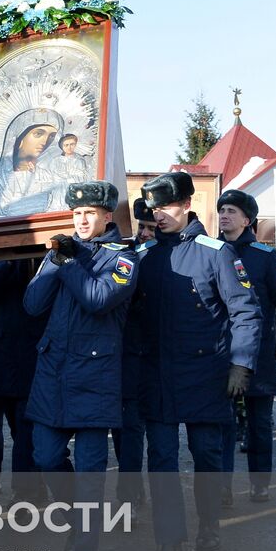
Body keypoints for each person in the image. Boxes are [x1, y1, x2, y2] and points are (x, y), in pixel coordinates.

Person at [135, 172, 261, 551]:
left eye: (167, 207)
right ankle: (169, 542)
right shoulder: (145, 256)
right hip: (157, 377)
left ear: (187, 204)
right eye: (155, 210)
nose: (160, 216)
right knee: (161, 460)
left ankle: (209, 523)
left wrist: (241, 364)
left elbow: (245, 311)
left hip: (206, 374)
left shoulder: (215, 252)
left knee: (207, 455)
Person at [22, 181, 137, 551]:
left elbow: (98, 299)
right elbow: (32, 305)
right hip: (53, 371)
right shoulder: (60, 253)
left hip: (96, 376)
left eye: (90, 213)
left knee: (90, 474)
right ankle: (76, 521)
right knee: (45, 455)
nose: (82, 220)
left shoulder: (123, 258)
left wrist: (69, 264)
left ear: (108, 216)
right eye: (76, 214)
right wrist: (54, 262)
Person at [215, 189, 276, 503]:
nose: (224, 215)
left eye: (232, 211)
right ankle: (222, 487)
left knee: (259, 423)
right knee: (221, 423)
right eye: (222, 210)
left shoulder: (265, 257)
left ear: (247, 219)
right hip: (220, 353)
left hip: (258, 352)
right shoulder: (210, 251)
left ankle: (259, 482)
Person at [0, 255, 46, 508]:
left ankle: (27, 491)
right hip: (1, 356)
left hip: (32, 351)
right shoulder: (0, 255)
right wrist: (9, 260)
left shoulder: (45, 255)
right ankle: (2, 478)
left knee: (25, 430)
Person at [113, 197, 155, 512]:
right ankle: (130, 490)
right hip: (126, 356)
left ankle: (135, 491)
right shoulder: (127, 255)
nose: (143, 233)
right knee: (126, 429)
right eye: (141, 226)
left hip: (153, 357)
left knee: (146, 431)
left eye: (150, 228)